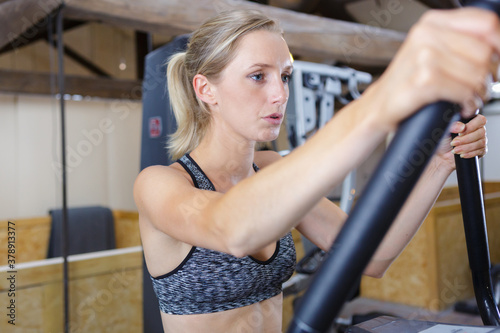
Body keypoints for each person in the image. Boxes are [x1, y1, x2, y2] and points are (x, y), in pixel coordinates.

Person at [134, 7, 494, 333]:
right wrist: (380, 103)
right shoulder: (159, 184)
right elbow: (232, 230)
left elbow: (372, 255)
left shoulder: (271, 168)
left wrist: (438, 163)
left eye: (285, 76)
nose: (280, 93)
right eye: (258, 76)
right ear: (206, 89)